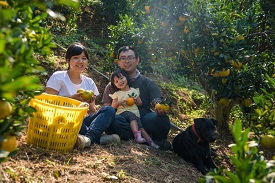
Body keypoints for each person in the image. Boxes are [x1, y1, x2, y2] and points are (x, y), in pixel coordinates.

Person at [45, 42, 120, 150]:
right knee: (77, 125)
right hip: (63, 119)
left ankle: (88, 139)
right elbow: (48, 104)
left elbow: (92, 111)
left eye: (84, 58)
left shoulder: (89, 82)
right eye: (76, 57)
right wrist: (72, 100)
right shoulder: (58, 77)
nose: (80, 61)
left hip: (82, 120)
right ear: (68, 60)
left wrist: (89, 103)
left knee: (109, 110)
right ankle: (100, 139)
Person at [103, 46, 171, 150]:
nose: (127, 61)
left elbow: (156, 99)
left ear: (137, 60)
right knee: (110, 118)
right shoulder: (112, 86)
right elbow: (107, 108)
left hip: (144, 119)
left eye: (130, 57)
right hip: (123, 120)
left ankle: (156, 140)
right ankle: (138, 136)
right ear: (118, 62)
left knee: (161, 119)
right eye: (123, 58)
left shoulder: (147, 82)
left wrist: (159, 107)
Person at [109, 69, 160, 149]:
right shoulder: (117, 94)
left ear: (127, 77)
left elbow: (140, 103)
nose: (120, 81)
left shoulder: (134, 91)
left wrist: (135, 100)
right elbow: (112, 107)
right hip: (123, 113)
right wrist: (119, 102)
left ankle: (150, 142)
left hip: (135, 114)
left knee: (141, 127)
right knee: (131, 117)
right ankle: (137, 136)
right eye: (116, 81)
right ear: (115, 85)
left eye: (121, 78)